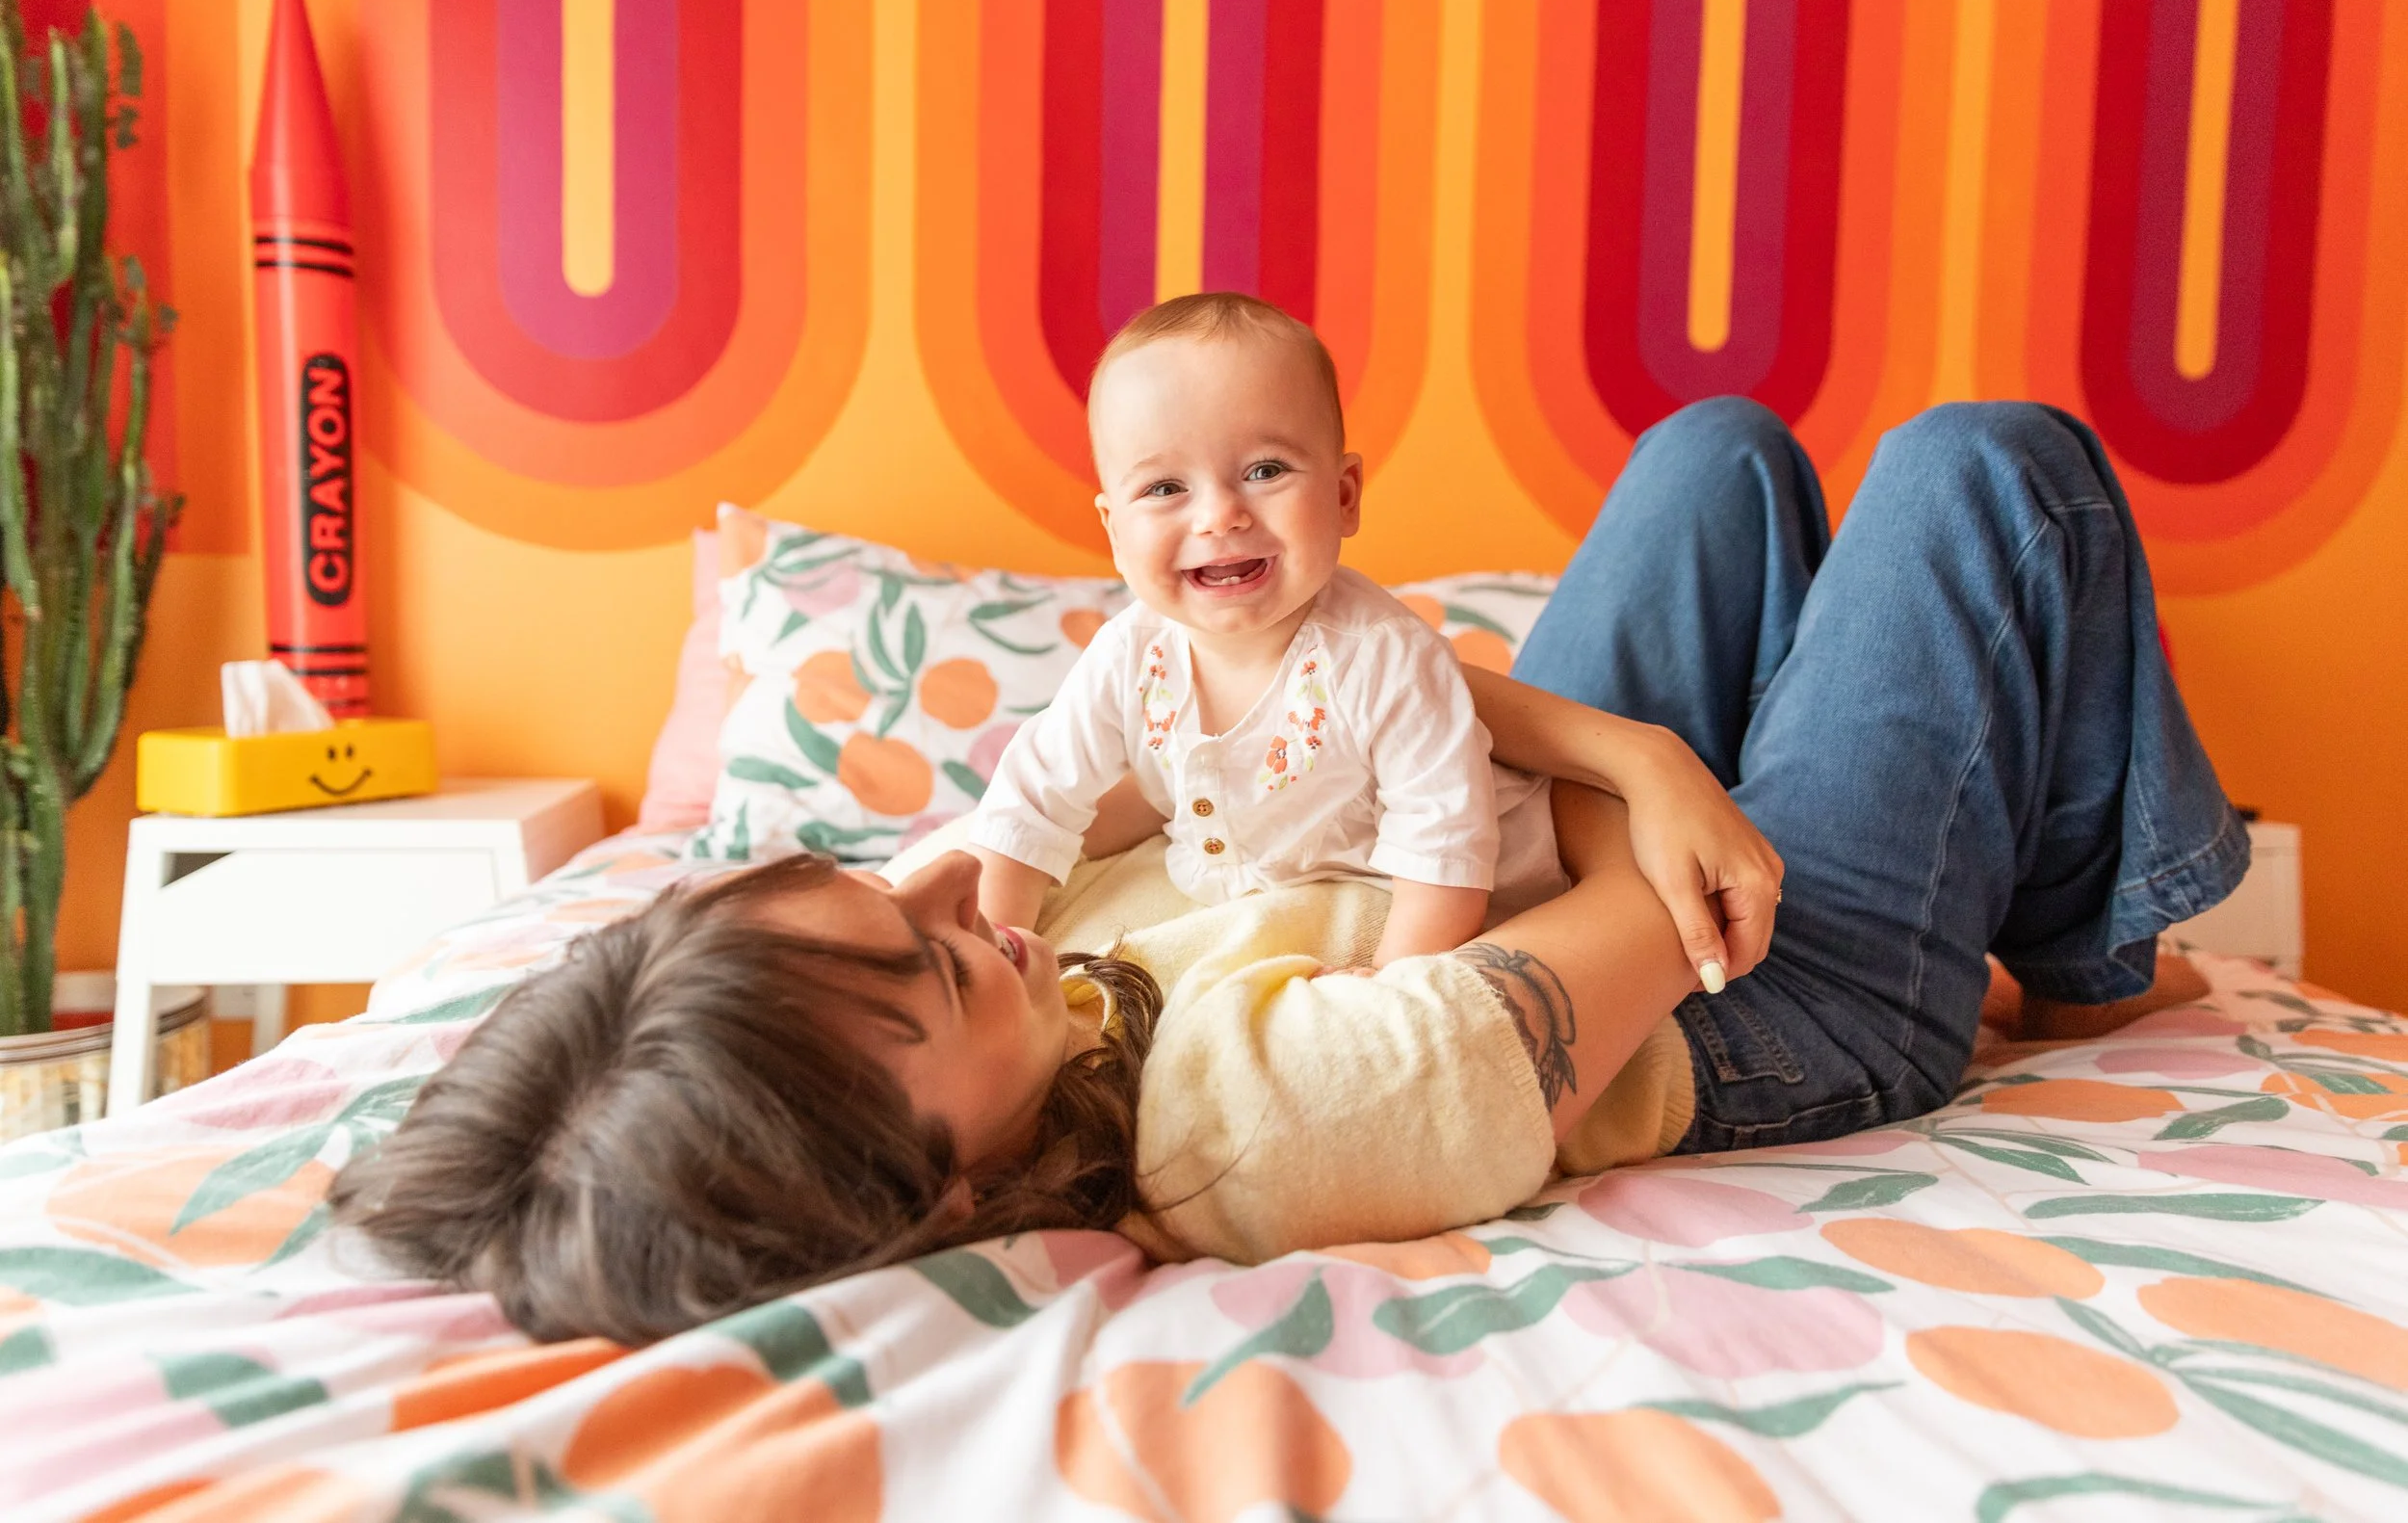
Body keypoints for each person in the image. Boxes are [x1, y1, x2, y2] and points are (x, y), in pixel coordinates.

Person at [330, 397, 2246, 1346]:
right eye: (927, 964)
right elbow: (1647, 918)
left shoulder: (982, 975)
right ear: (940, 1182)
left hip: (1568, 851)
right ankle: (2083, 954)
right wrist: (1629, 790)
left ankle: (1916, 811)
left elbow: (1079, 806)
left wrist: (1621, 745)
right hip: (1755, 1000)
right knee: (1988, 468)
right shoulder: (1251, 1118)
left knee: (1712, 456)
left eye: (879, 889)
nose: (952, 904)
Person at [969, 292, 1565, 973]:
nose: (1220, 515)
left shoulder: (1384, 658)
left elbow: (1447, 859)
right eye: (1165, 488)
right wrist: (991, 954)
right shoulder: (1129, 656)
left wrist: (1385, 982)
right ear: (1112, 529)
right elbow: (1025, 809)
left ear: (1344, 497)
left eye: (1265, 470)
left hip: (1464, 902)